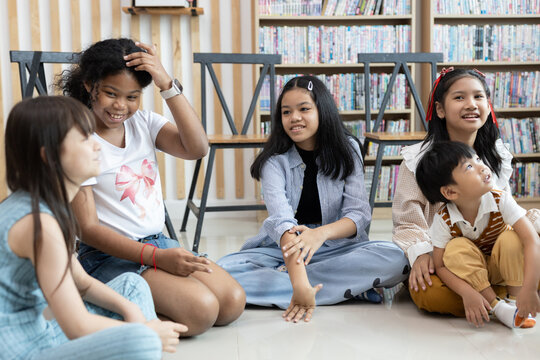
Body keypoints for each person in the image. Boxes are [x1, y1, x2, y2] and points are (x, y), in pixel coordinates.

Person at [57, 38, 245, 336]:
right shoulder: (78, 140)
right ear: (89, 85)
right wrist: (155, 259)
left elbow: (197, 147)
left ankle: (141, 305)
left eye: (133, 96)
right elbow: (88, 229)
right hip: (108, 256)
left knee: (232, 302)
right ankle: (111, 313)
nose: (121, 106)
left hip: (157, 242)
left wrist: (166, 83)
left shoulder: (143, 123)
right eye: (110, 93)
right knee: (202, 312)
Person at [0, 96, 186, 360]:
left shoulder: (49, 208)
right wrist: (144, 331)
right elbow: (77, 327)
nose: (97, 146)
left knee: (132, 287)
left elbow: (83, 283)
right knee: (141, 341)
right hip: (24, 350)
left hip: (43, 329)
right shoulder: (40, 224)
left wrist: (133, 315)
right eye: (85, 139)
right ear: (49, 156)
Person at [217, 75, 409, 323]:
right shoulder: (273, 160)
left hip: (338, 249)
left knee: (397, 258)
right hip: (280, 251)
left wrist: (319, 235)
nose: (294, 118)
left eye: (304, 109)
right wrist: (298, 279)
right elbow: (282, 224)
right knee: (220, 272)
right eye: (286, 112)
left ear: (322, 110)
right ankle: (331, 289)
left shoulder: (348, 149)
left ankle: (298, 287)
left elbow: (358, 215)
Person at [392, 67, 540, 316]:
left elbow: (507, 214)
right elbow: (407, 223)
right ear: (440, 109)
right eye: (459, 97)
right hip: (449, 259)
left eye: (479, 97)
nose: (471, 104)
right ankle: (497, 298)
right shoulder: (417, 160)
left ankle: (501, 298)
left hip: (495, 254)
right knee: (430, 291)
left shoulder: (495, 157)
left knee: (521, 243)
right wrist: (421, 253)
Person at [415, 141, 540, 328]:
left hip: (506, 266)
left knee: (511, 238)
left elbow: (531, 240)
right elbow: (440, 266)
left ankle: (516, 301)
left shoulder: (500, 199)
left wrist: (529, 289)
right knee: (455, 249)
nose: (482, 167)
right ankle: (497, 306)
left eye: (478, 159)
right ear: (450, 191)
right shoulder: (444, 219)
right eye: (469, 166)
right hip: (474, 274)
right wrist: (467, 293)